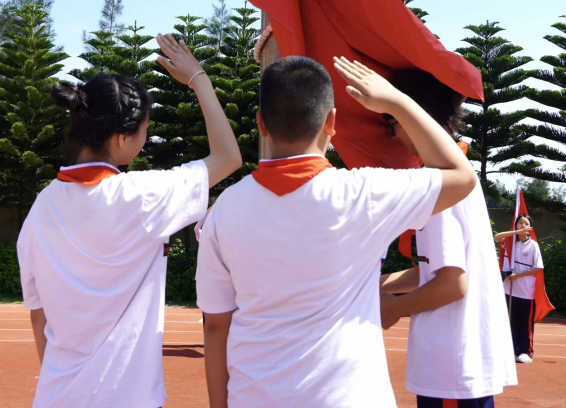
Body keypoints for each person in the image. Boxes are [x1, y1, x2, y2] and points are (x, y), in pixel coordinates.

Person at [195, 56, 478, 408]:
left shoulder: (224, 209)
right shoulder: (365, 193)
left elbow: (215, 327)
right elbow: (461, 175)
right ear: (331, 122)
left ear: (261, 124)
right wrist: (396, 101)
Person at [16, 34, 242, 408]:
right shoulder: (142, 196)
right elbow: (227, 156)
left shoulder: (40, 209)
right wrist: (198, 78)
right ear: (121, 138)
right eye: (143, 129)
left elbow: (39, 320)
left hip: (57, 397)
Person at [377, 69, 516, 408]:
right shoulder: (457, 177)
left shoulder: (439, 186)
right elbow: (437, 272)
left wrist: (394, 309)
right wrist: (377, 284)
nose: (392, 136)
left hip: (449, 366)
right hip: (458, 364)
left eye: (391, 123)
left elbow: (452, 285)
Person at [495, 214, 544, 363]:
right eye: (519, 223)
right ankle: (513, 350)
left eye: (525, 223)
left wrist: (518, 275)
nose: (522, 226)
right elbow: (497, 236)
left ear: (530, 227)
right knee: (511, 321)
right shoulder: (511, 244)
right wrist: (515, 233)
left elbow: (538, 267)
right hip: (509, 288)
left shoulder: (533, 245)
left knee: (524, 322)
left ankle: (526, 351)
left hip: (525, 290)